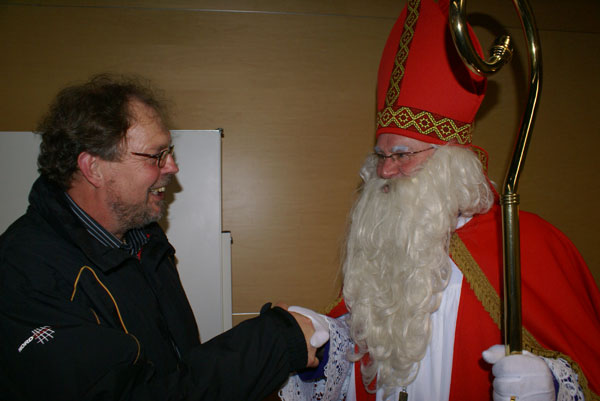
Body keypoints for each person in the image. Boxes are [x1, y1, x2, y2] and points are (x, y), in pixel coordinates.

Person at [279, 0, 600, 400]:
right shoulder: (385, 243)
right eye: (381, 156)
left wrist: (550, 384)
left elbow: (587, 369)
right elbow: (363, 356)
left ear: (451, 163)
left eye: (402, 155)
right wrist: (323, 341)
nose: (385, 171)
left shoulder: (526, 243)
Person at [0, 73, 323, 401]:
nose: (172, 167)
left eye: (169, 152)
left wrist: (263, 337)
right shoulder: (23, 275)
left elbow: (177, 370)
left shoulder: (143, 241)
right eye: (156, 156)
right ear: (94, 168)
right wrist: (272, 343)